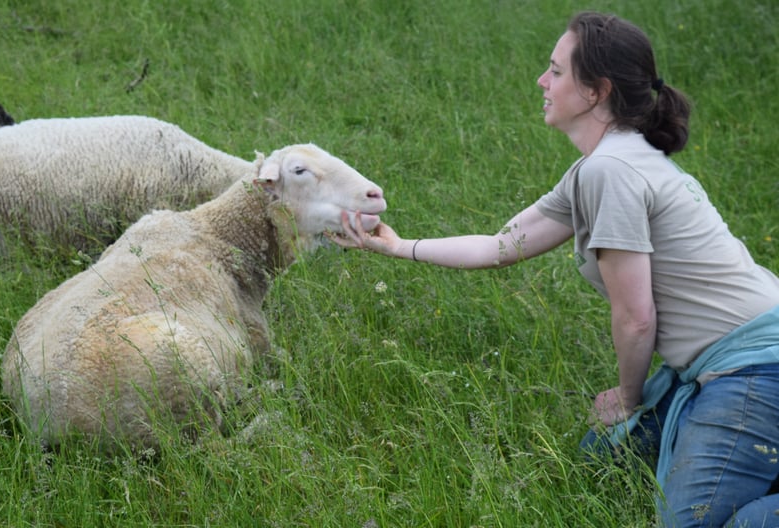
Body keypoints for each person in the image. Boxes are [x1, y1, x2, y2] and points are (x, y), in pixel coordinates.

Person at [331, 10, 779, 528]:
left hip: (755, 369)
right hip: (720, 364)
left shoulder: (612, 170)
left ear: (596, 91)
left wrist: (629, 399)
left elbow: (635, 318)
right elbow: (499, 247)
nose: (543, 82)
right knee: (603, 460)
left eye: (557, 71)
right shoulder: (601, 166)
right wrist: (397, 246)